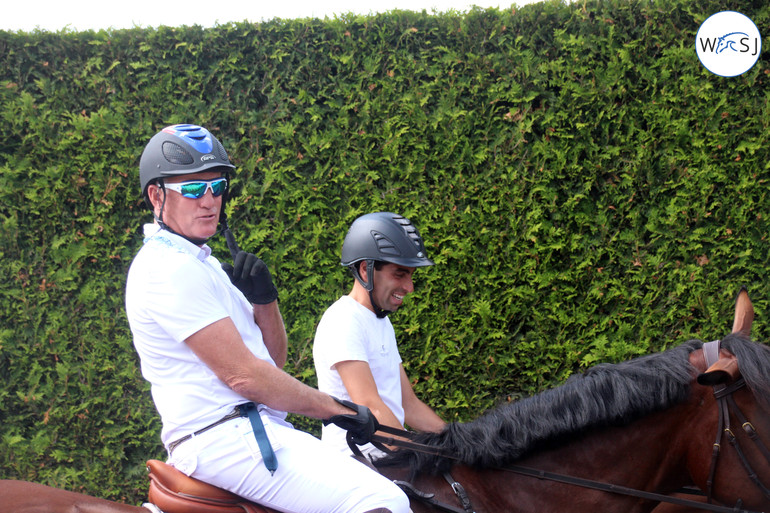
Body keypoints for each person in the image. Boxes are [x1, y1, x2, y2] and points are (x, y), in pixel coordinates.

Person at [125, 124, 409, 513]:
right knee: (382, 498)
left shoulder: (201, 264)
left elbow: (273, 363)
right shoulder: (168, 267)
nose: (209, 201)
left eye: (218, 187)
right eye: (192, 189)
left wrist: (264, 302)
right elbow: (246, 377)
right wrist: (339, 410)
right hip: (226, 437)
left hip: (254, 430)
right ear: (156, 196)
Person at [313, 212, 446, 461]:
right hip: (358, 462)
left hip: (388, 459)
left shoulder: (380, 322)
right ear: (366, 270)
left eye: (410, 275)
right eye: (400, 274)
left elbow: (409, 405)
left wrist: (457, 443)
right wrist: (420, 454)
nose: (409, 287)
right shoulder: (343, 320)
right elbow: (370, 405)